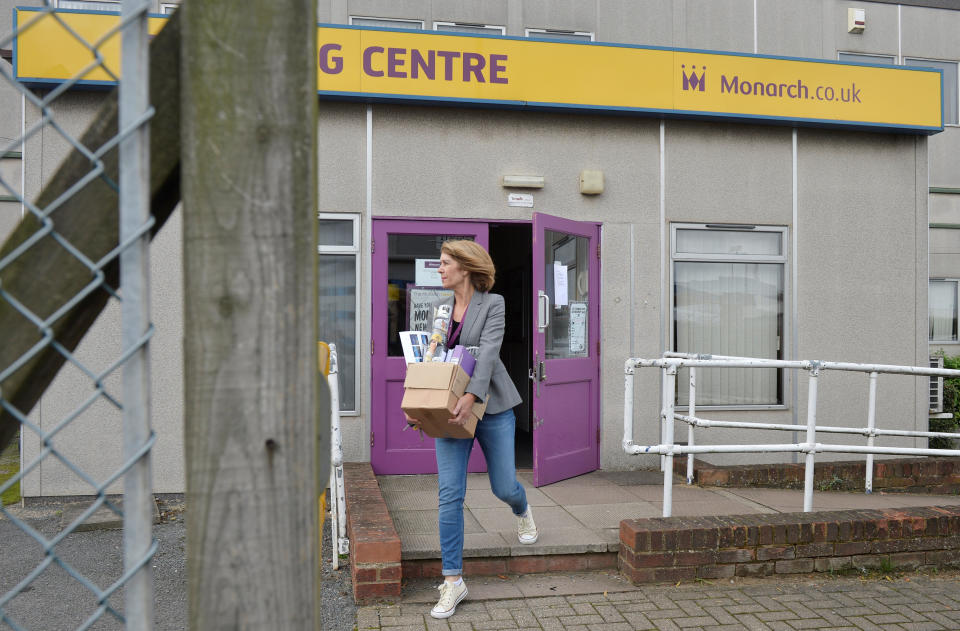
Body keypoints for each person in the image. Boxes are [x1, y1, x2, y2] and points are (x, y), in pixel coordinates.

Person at [404, 239, 538, 620]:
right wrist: (418, 405)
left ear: (465, 267)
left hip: (490, 406)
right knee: (449, 495)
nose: (440, 269)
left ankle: (522, 507)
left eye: (446, 263)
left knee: (503, 486)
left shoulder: (493, 304)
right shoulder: (440, 310)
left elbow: (490, 352)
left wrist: (472, 396)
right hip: (449, 413)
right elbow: (429, 360)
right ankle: (453, 581)